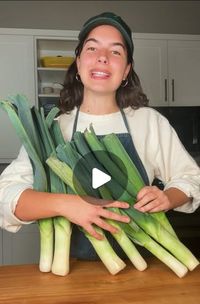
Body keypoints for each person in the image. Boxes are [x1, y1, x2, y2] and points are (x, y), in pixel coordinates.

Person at [0, 12, 200, 260]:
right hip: (71, 273)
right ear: (79, 62)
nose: (103, 57)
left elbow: (191, 178)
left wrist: (167, 197)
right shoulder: (52, 128)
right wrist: (66, 204)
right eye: (92, 48)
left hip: (143, 268)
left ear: (127, 70)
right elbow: (5, 196)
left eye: (116, 51)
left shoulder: (149, 122)